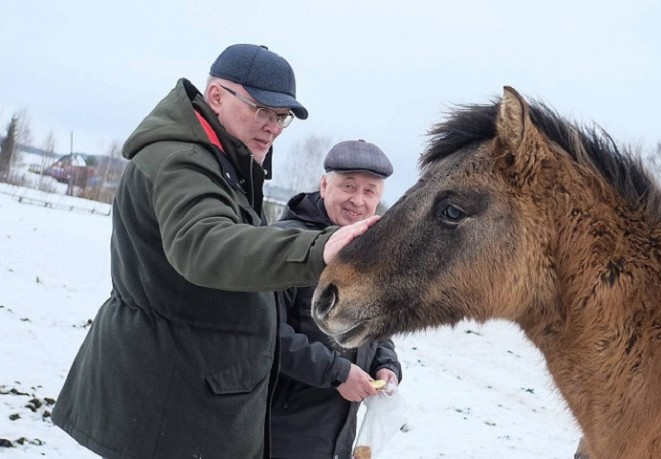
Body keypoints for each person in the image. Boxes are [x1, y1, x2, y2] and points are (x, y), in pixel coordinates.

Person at [51, 44, 378, 459]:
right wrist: (319, 249)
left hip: (192, 396)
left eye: (281, 118)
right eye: (262, 110)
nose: (273, 127)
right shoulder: (182, 161)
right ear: (217, 96)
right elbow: (205, 244)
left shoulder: (223, 163)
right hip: (167, 401)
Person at [270, 140, 403, 459]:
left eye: (370, 191)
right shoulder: (287, 243)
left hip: (338, 434)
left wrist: (387, 365)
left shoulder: (369, 252)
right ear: (324, 184)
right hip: (280, 430)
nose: (358, 200)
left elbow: (376, 329)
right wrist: (336, 372)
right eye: (348, 186)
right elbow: (266, 333)